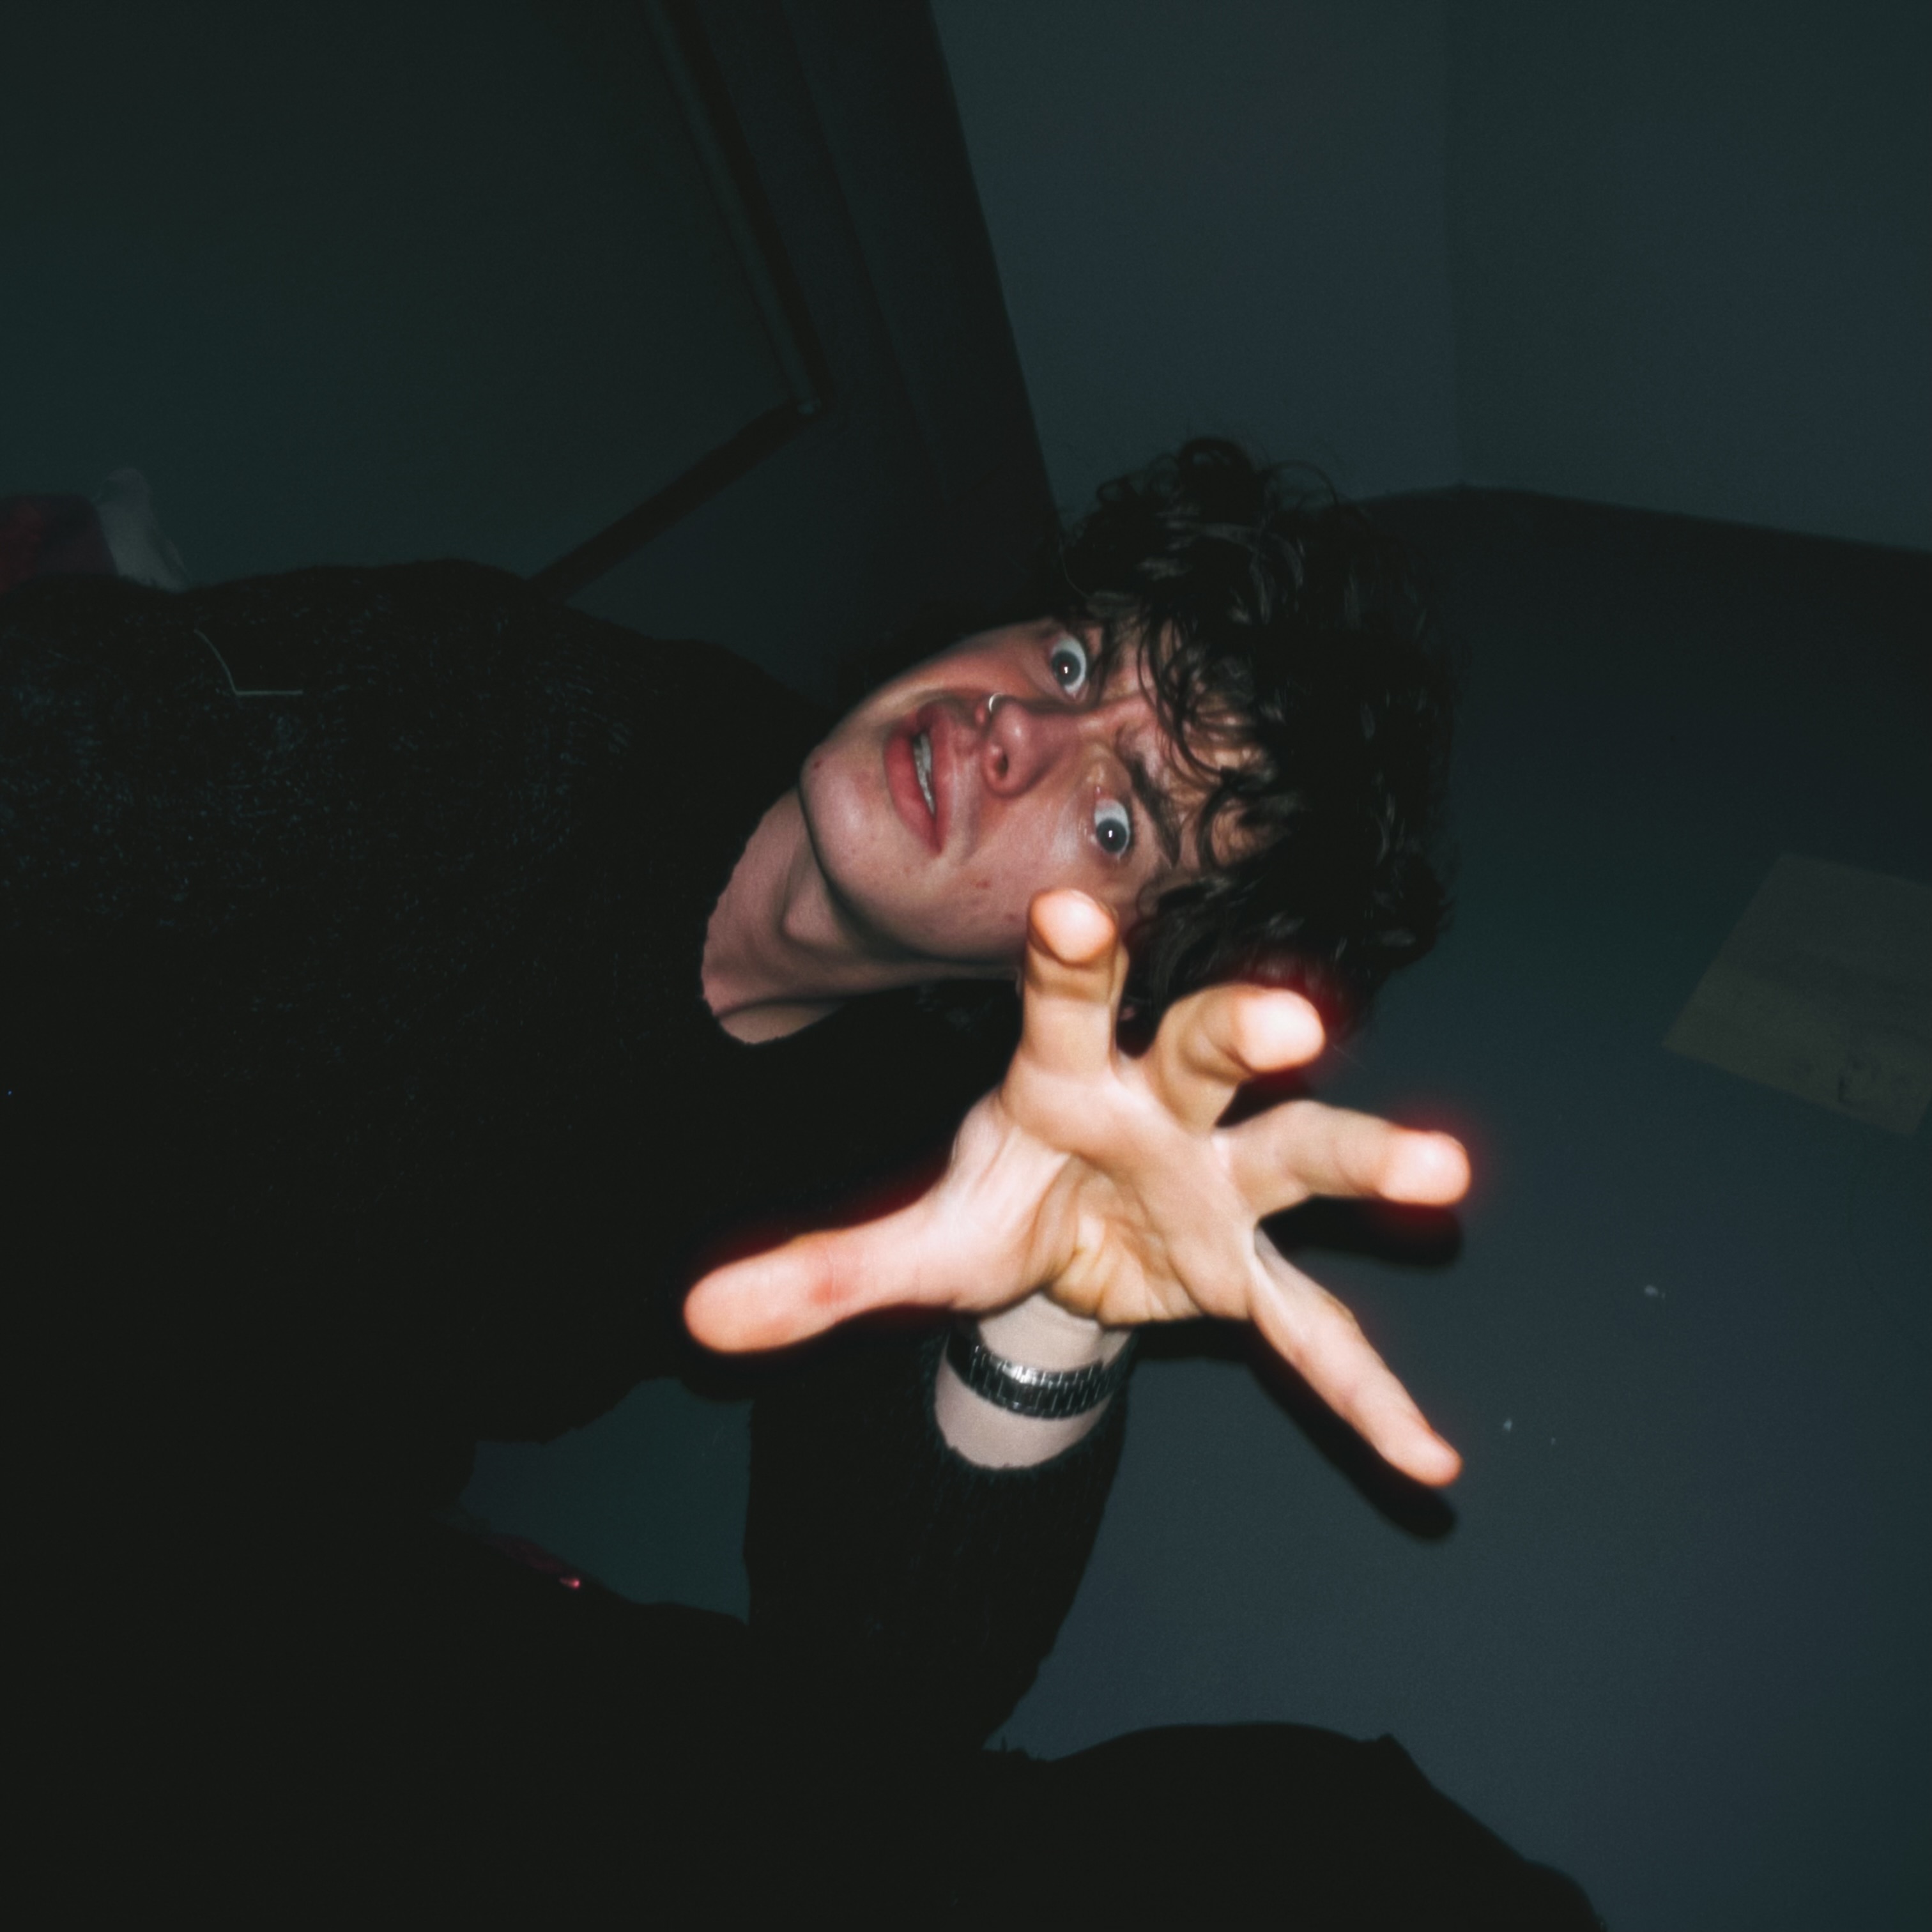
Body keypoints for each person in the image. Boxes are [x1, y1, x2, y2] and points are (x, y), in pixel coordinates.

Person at [4, 441, 1596, 1921]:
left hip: (263, 1546)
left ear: (1116, 981)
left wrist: (1057, 1321)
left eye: (1117, 818)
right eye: (1074, 661)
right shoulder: (480, 717)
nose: (1017, 731)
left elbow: (868, 1719)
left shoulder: (911, 1152)